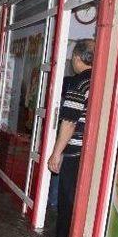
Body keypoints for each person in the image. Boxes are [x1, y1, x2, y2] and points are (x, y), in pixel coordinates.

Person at [48, 39, 95, 237]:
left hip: (75, 153)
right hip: (92, 154)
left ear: (77, 58)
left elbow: (69, 121)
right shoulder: (99, 81)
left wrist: (56, 153)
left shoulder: (80, 83)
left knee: (67, 201)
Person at [47, 74, 74, 210]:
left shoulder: (59, 104)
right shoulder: (66, 105)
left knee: (56, 171)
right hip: (65, 144)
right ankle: (54, 200)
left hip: (60, 141)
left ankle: (53, 200)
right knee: (58, 169)